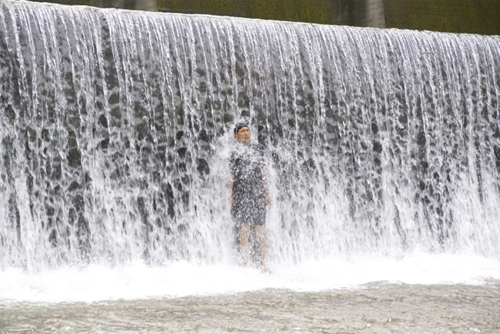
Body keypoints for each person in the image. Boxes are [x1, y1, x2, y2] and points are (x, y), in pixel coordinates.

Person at [228, 122, 272, 272]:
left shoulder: (257, 149)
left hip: (258, 193)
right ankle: (248, 262)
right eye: (242, 131)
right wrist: (230, 195)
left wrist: (267, 193)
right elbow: (231, 175)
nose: (246, 133)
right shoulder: (234, 152)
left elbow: (263, 172)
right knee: (245, 226)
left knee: (260, 228)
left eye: (247, 131)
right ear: (236, 135)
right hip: (242, 193)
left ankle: (265, 263)